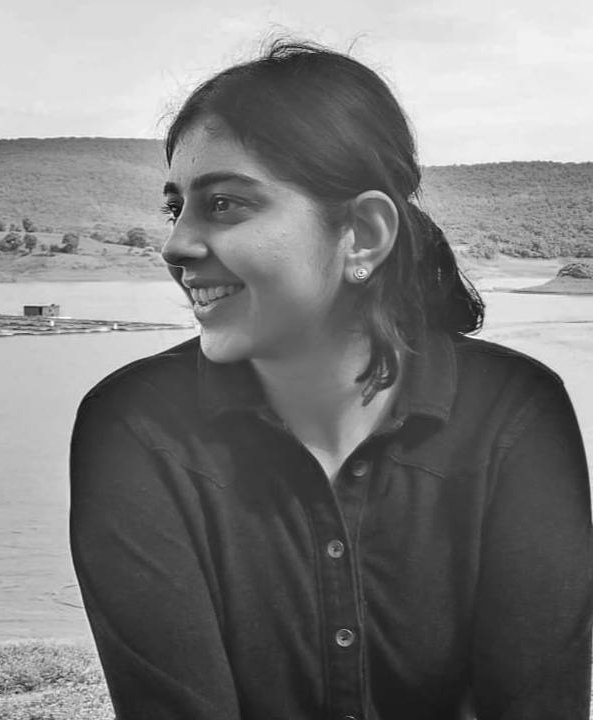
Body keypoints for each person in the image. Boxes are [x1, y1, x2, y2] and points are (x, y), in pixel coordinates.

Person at [69, 41, 592, 719]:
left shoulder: (513, 414)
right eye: (176, 209)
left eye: (223, 204)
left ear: (363, 234)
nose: (175, 245)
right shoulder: (136, 426)